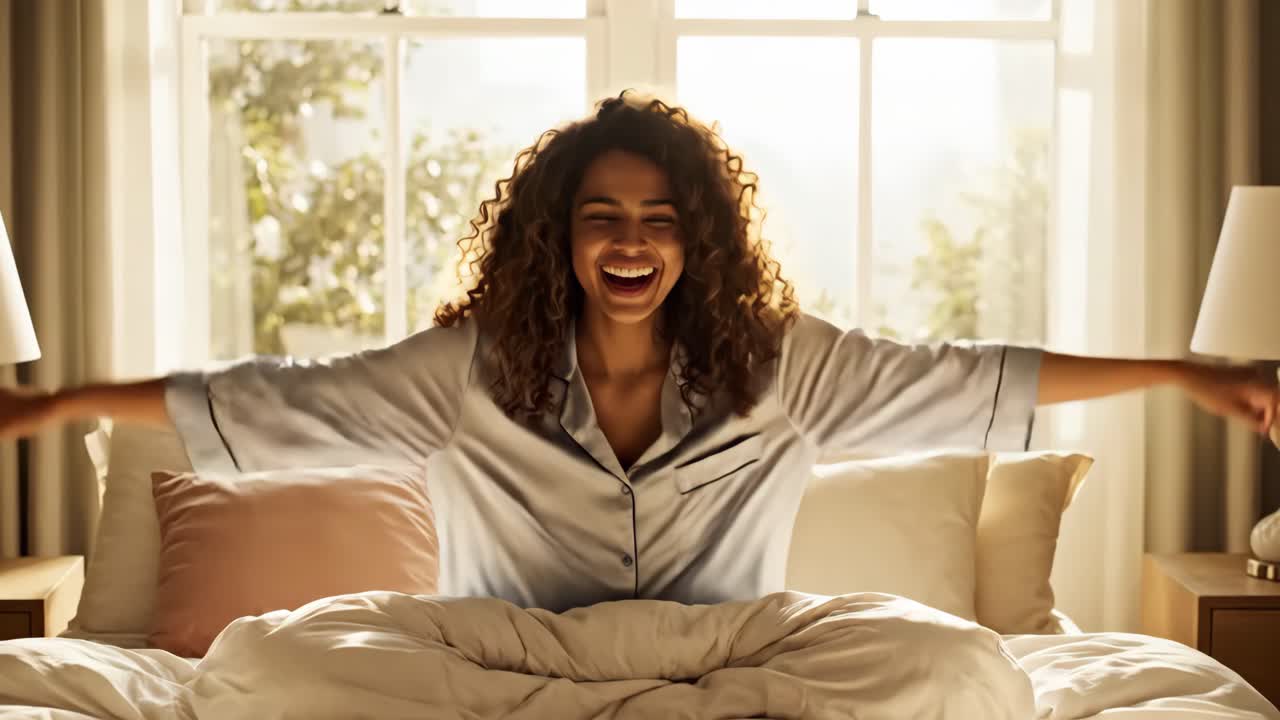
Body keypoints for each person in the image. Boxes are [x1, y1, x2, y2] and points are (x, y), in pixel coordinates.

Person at [1, 92, 1276, 613]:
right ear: (557, 237)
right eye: (601, 219)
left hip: (726, 667)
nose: (629, 244)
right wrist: (49, 407)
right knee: (283, 667)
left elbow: (978, 380)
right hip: (503, 672)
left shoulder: (783, 368)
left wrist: (1179, 374)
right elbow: (255, 403)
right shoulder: (461, 373)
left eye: (659, 222)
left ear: (695, 242)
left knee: (935, 660)